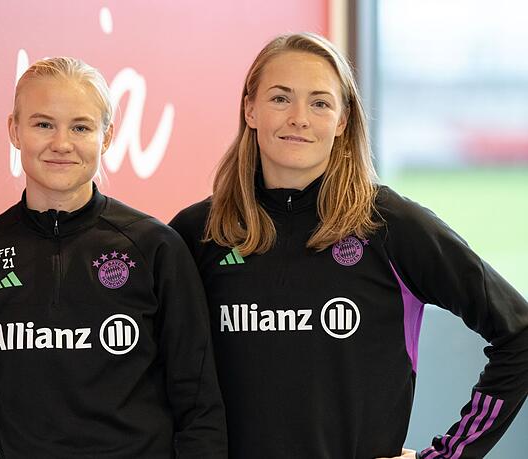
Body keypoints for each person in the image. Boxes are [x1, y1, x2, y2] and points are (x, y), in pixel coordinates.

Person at [169, 32, 528, 459]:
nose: (299, 118)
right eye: (281, 98)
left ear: (342, 120)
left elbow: (519, 334)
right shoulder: (197, 233)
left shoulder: (390, 225)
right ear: (250, 109)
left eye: (320, 102)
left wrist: (449, 456)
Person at [0, 56, 227, 458]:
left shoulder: (155, 248)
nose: (62, 143)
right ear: (15, 130)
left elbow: (199, 408)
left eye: (81, 127)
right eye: (43, 124)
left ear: (106, 137)